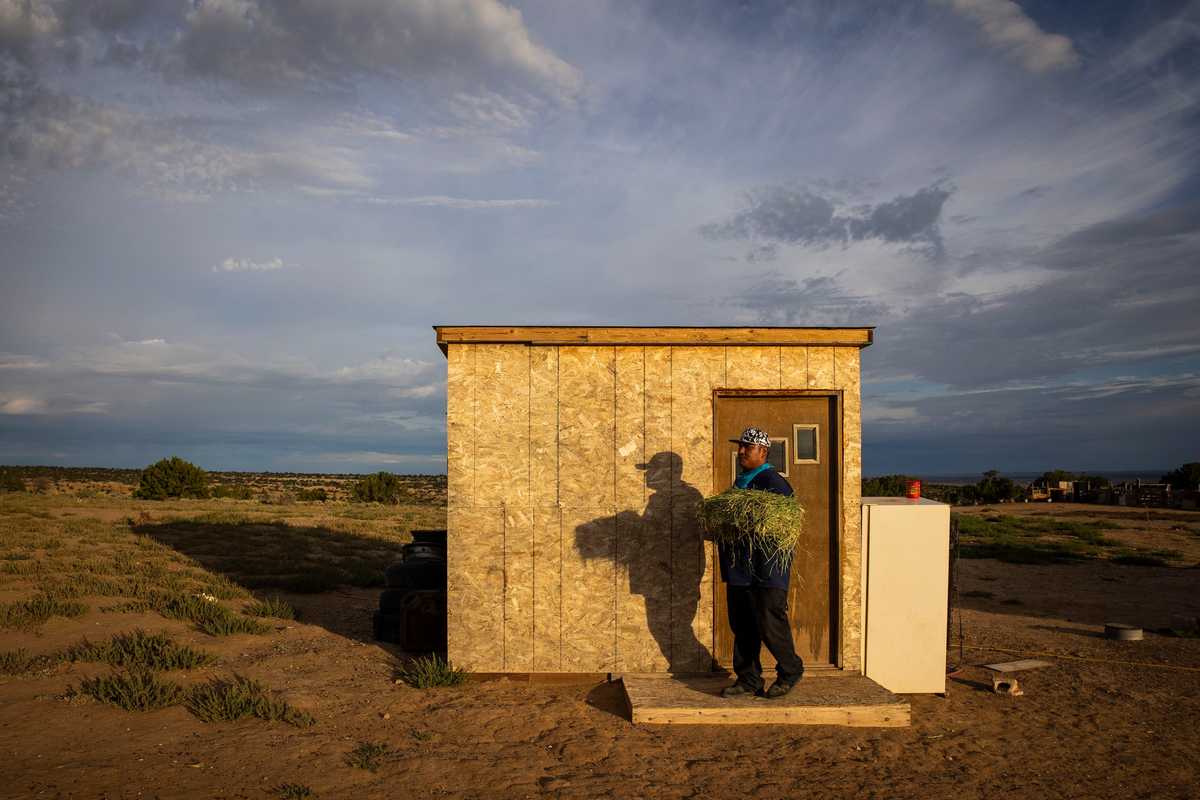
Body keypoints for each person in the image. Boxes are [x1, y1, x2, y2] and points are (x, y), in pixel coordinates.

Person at [719, 426, 805, 699]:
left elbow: (781, 526)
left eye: (748, 447)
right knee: (743, 626)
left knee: (770, 623)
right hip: (741, 570)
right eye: (740, 446)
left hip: (766, 570)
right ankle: (748, 679)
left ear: (763, 451)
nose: (741, 451)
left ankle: (790, 671)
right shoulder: (741, 483)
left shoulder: (773, 484)